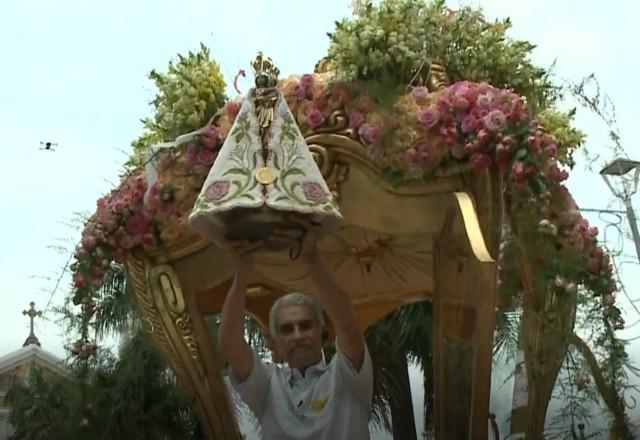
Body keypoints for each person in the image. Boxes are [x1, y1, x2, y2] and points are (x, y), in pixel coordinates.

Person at [218, 215, 373, 440]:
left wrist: (312, 260)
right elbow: (229, 345)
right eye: (287, 329)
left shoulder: (347, 377)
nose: (298, 335)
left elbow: (348, 324)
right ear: (275, 343)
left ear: (322, 333)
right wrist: (241, 277)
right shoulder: (268, 386)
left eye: (306, 325)